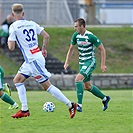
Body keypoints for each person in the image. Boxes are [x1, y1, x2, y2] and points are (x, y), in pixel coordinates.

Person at [8, 3, 77, 119]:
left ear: (12, 14)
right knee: (17, 80)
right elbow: (46, 36)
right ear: (23, 13)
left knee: (47, 86)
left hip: (33, 60)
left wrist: (9, 40)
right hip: (32, 59)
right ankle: (24, 110)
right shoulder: (32, 23)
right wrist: (44, 49)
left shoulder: (14, 26)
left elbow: (11, 47)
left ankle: (70, 105)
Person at [64, 18, 110, 112]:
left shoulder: (90, 36)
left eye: (76, 26)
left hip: (90, 61)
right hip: (82, 63)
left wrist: (103, 64)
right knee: (87, 86)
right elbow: (71, 49)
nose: (75, 28)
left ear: (82, 26)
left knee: (78, 79)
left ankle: (79, 105)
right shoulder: (75, 36)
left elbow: (102, 49)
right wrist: (66, 62)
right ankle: (105, 99)